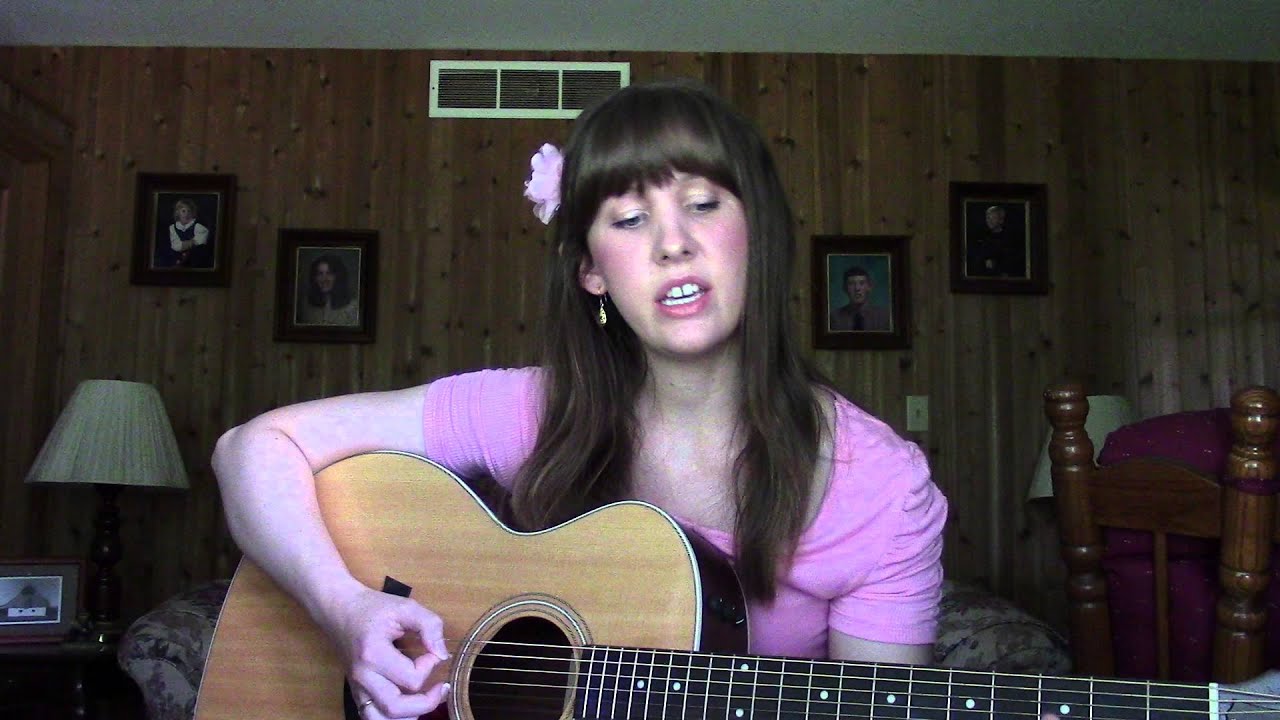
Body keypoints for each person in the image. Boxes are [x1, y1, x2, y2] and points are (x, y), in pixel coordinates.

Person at [212, 79, 947, 719]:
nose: (673, 243)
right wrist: (344, 610)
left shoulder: (880, 488)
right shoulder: (530, 411)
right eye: (629, 219)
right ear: (593, 271)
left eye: (702, 203)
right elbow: (252, 447)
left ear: (758, 232)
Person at [965, 203, 1027, 278]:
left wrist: (998, 265)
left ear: (1001, 220)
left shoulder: (1011, 238)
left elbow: (1015, 259)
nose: (989, 221)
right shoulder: (980, 236)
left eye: (993, 218)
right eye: (988, 218)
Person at [298, 253, 360, 326]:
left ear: (338, 276)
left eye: (329, 273)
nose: (324, 279)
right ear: (314, 278)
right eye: (320, 274)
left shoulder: (353, 306)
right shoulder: (306, 304)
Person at [829, 265, 891, 331]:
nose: (857, 288)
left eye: (862, 283)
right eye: (851, 283)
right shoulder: (834, 318)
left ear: (869, 287)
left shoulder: (884, 317)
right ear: (845, 288)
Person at [160, 198, 211, 268]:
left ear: (193, 213)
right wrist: (191, 242)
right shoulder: (173, 228)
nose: (186, 214)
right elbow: (175, 246)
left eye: (189, 211)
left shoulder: (198, 226)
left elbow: (201, 241)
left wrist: (185, 245)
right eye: (183, 211)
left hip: (195, 260)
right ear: (178, 213)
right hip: (178, 260)